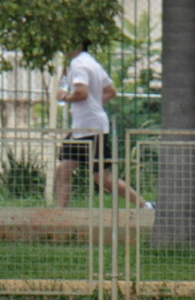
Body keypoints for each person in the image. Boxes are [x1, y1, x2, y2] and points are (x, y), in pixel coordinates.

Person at [56, 39, 153, 210]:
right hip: (83, 127)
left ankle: (144, 206)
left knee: (102, 178)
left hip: (91, 128)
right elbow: (110, 91)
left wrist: (64, 97)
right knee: (63, 170)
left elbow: (82, 93)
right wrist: (94, 106)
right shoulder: (92, 62)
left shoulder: (78, 64)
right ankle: (60, 214)